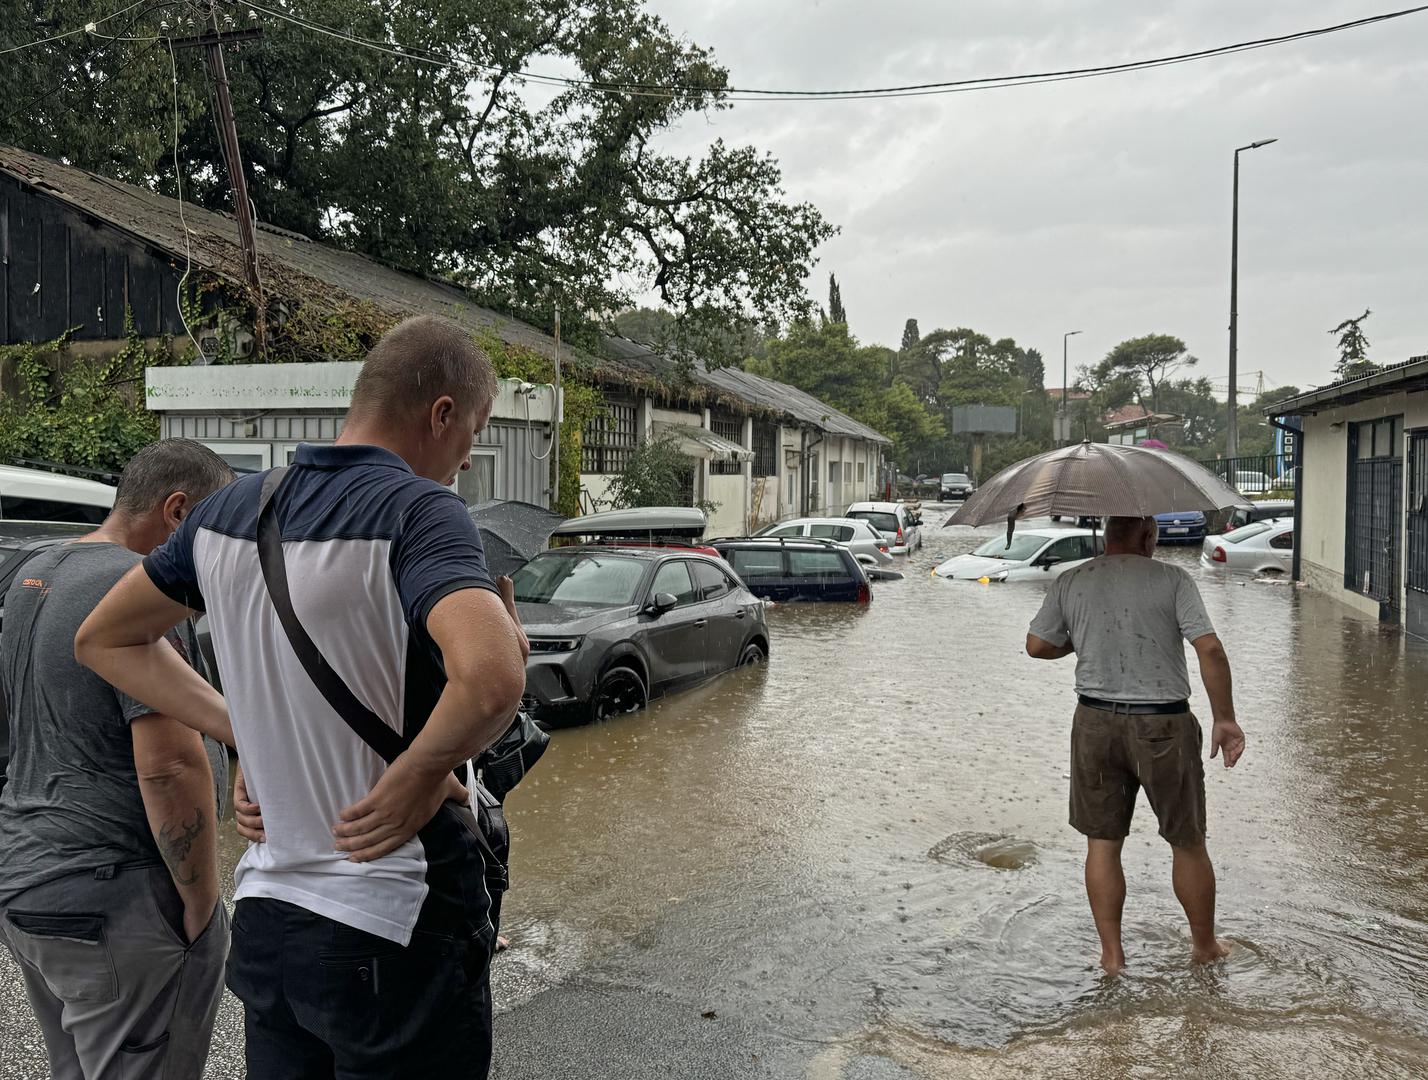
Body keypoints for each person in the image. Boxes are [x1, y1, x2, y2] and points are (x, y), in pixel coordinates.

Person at [76, 314, 529, 1079]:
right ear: (441, 412)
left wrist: (244, 734)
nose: (466, 457)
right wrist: (420, 774)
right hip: (394, 924)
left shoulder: (226, 514)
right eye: (473, 431)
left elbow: (104, 639)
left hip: (269, 920)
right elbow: (491, 679)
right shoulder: (417, 511)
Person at [0, 439, 235, 1080]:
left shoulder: (31, 575)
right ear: (179, 512)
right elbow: (169, 763)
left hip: (29, 882)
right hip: (118, 891)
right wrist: (200, 903)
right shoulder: (139, 590)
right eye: (217, 533)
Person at [1025, 515, 1246, 975]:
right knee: (1187, 841)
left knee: (1102, 844)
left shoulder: (1072, 579)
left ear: (1107, 535)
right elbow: (1211, 649)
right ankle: (1205, 948)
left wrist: (1082, 640)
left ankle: (1112, 957)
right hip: (1163, 724)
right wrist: (1224, 718)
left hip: (1093, 722)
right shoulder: (1172, 579)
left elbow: (1037, 645)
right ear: (1148, 536)